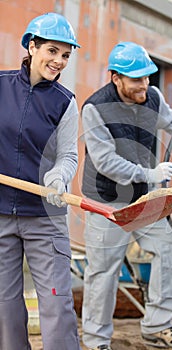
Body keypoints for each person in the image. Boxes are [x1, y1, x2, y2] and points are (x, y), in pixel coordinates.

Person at [80, 42, 172, 350]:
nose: (144, 85)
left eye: (147, 77)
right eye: (136, 79)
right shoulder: (94, 108)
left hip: (143, 199)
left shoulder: (152, 96)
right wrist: (147, 174)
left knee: (169, 250)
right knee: (103, 271)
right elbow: (105, 162)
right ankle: (96, 341)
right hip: (107, 202)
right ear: (116, 78)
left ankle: (157, 326)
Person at [0, 13, 82, 350]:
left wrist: (59, 176)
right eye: (52, 51)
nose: (59, 61)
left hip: (45, 217)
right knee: (4, 306)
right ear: (31, 46)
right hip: (1, 212)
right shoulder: (1, 86)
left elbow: (68, 156)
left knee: (55, 304)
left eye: (65, 55)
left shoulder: (64, 102)